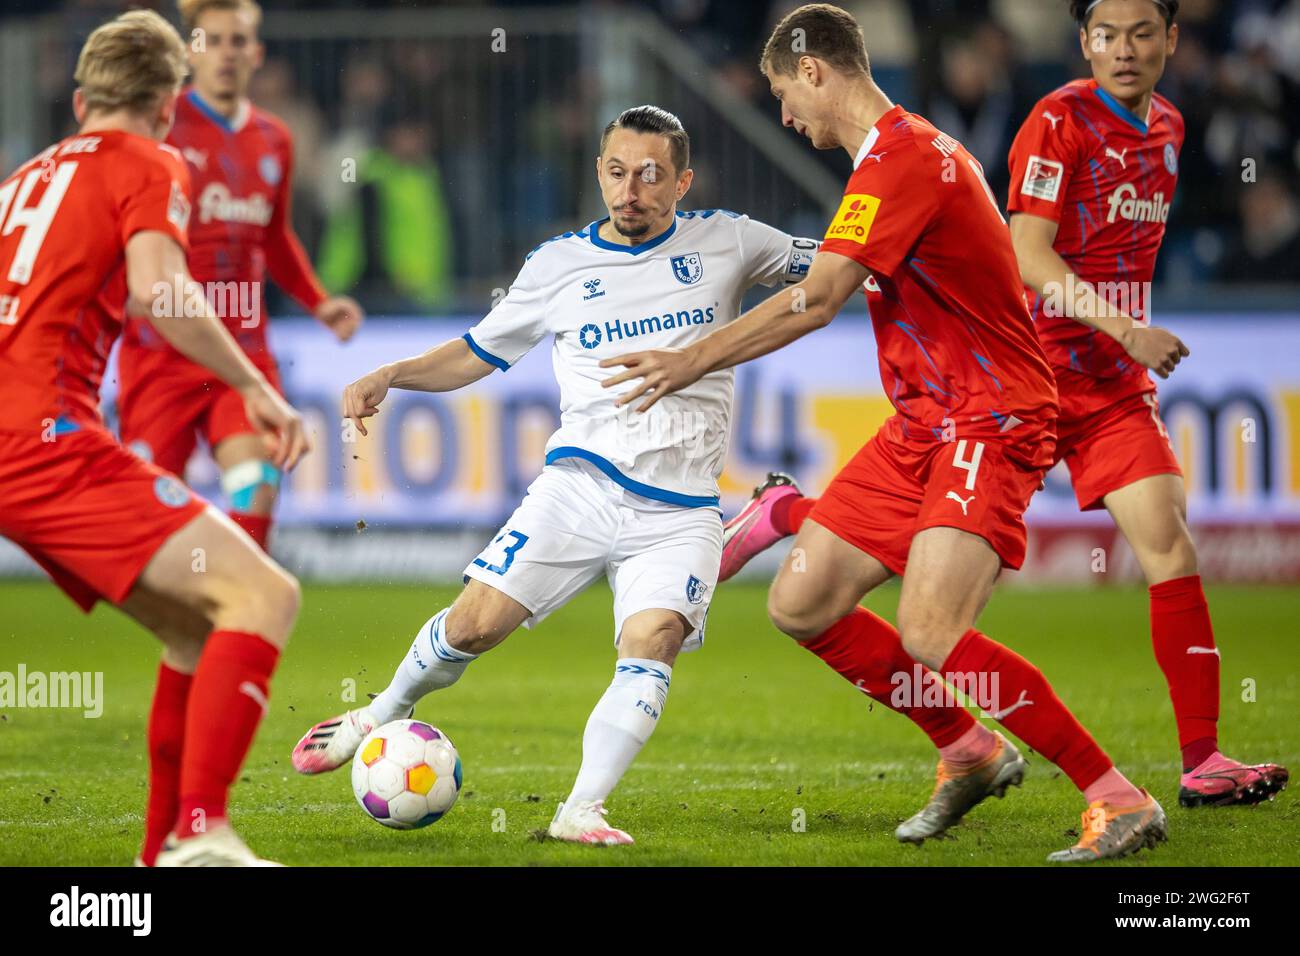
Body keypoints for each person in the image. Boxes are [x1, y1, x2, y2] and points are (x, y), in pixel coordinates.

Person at [600, 3, 1165, 862]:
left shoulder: (902, 160)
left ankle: (1114, 795)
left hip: (991, 413)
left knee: (931, 633)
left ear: (816, 70)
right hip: (925, 423)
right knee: (801, 602)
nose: (785, 115)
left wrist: (695, 357)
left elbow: (819, 298)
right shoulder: (898, 156)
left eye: (785, 94)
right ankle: (968, 748)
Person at [726, 0, 1288, 811]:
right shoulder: (1054, 122)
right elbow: (1027, 250)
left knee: (1167, 549)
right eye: (1105, 35)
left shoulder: (1167, 129)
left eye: (1140, 34)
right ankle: (801, 523)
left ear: (1172, 39)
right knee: (928, 616)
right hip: (1030, 367)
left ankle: (1198, 759)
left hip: (1101, 384)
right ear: (1082, 42)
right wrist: (1123, 326)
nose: (1122, 52)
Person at [290, 106, 819, 844]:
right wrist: (395, 373)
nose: (629, 189)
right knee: (473, 627)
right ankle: (381, 710)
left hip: (681, 507)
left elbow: (838, 265)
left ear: (682, 180)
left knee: (653, 639)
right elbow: (478, 351)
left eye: (649, 174)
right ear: (598, 170)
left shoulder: (730, 240)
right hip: (580, 488)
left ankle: (581, 810)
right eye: (614, 171)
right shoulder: (558, 265)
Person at [0, 9, 309, 866]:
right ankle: (202, 831)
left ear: (78, 100)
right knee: (264, 596)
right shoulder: (151, 160)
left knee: (195, 628)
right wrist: (253, 387)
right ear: (171, 102)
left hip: (15, 447)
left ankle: (159, 855)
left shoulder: (24, 180)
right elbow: (160, 294)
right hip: (47, 440)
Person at [116, 0, 362, 552]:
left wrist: (318, 302)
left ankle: (236, 613)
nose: (226, 54)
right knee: (152, 522)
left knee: (256, 486)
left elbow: (275, 237)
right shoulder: (161, 126)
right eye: (213, 41)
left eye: (238, 41)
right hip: (161, 347)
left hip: (243, 350)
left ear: (257, 53)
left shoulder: (274, 138)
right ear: (189, 53)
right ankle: (191, 630)